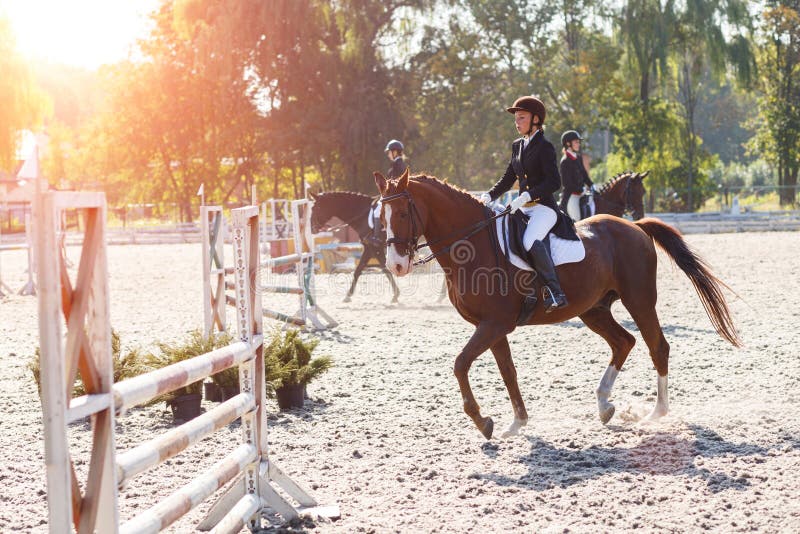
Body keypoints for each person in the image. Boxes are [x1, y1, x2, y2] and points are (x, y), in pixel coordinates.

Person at [479, 96, 568, 323]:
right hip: (522, 208)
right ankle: (523, 290)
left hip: (544, 208)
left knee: (529, 241)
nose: (517, 122)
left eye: (522, 118)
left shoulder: (545, 147)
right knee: (504, 236)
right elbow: (508, 178)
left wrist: (528, 194)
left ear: (536, 120)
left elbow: (554, 182)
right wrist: (489, 194)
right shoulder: (517, 145)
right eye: (516, 118)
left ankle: (556, 292)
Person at [559, 130, 594, 221]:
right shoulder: (565, 161)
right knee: (578, 219)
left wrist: (592, 185)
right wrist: (580, 189)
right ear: (568, 143)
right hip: (571, 196)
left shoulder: (578, 157)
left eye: (579, 142)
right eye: (576, 142)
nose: (578, 144)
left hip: (581, 194)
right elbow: (567, 184)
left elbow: (584, 175)